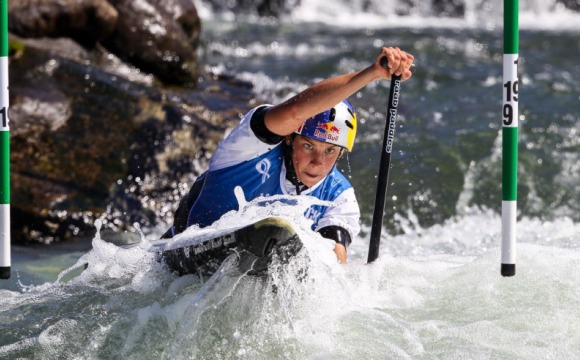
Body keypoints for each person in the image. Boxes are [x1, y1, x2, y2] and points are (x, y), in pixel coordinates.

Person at [163, 47, 414, 263]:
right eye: (308, 146)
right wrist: (371, 74)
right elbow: (294, 111)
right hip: (173, 262)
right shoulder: (249, 148)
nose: (318, 162)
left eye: (330, 151)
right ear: (289, 137)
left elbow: (335, 264)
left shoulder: (339, 197)